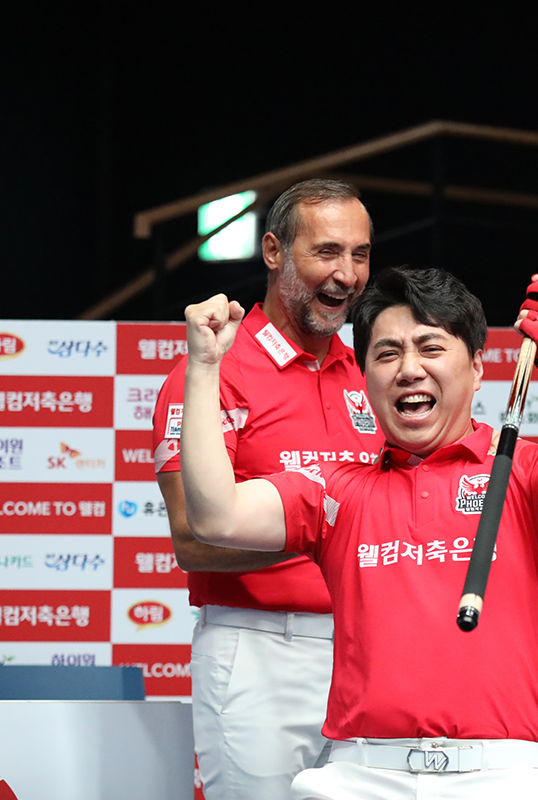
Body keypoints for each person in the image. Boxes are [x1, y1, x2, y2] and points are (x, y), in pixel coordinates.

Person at [176, 266, 538, 800]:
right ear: (365, 375)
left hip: (499, 774)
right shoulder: (336, 489)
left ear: (479, 367)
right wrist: (205, 367)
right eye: (387, 354)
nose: (409, 369)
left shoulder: (526, 472)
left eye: (430, 348)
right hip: (358, 773)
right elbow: (215, 516)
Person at [151, 179, 382, 800]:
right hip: (257, 651)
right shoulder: (211, 372)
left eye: (360, 255)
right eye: (327, 252)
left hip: (366, 652)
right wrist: (331, 532)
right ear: (274, 250)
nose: (348, 274)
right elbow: (191, 541)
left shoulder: (366, 372)